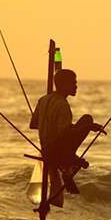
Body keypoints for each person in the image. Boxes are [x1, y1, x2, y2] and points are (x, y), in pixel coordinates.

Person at [29, 69, 105, 207]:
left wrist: (47, 121)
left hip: (46, 150)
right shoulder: (62, 104)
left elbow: (33, 124)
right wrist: (89, 127)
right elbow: (65, 133)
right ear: (64, 84)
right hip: (58, 153)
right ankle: (70, 160)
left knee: (78, 126)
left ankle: (68, 165)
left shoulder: (43, 99)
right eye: (73, 83)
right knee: (87, 119)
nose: (76, 86)